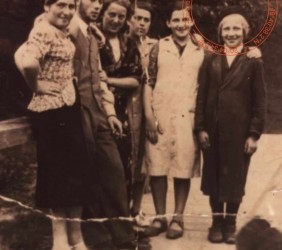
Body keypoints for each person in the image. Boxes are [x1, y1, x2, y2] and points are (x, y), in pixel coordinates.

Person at [14, 0, 90, 249]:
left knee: (76, 171)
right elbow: (26, 61)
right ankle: (61, 241)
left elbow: (79, 23)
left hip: (68, 107)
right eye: (61, 5)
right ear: (47, 5)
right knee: (57, 174)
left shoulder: (59, 25)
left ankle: (75, 238)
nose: (67, 11)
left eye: (71, 6)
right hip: (50, 111)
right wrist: (36, 86)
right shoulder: (42, 31)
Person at [67, 0, 142, 249]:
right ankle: (98, 238)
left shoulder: (91, 33)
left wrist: (109, 112)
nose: (97, 5)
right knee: (86, 174)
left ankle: (124, 238)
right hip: (75, 111)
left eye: (101, 1)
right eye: (92, 0)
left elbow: (98, 77)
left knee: (114, 172)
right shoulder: (65, 26)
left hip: (99, 110)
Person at [195, 7, 267, 244]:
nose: (231, 33)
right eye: (227, 28)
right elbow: (201, 97)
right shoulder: (211, 59)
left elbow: (260, 101)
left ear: (245, 32)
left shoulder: (252, 61)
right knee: (214, 176)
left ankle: (231, 222)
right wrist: (201, 128)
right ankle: (216, 221)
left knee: (236, 178)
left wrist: (253, 134)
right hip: (213, 131)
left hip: (239, 133)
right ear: (220, 32)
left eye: (236, 28)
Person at [143, 3, 203, 239]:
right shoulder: (158, 48)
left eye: (185, 20)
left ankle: (178, 218)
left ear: (191, 23)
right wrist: (149, 118)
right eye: (175, 20)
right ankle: (160, 217)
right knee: (157, 167)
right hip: (160, 116)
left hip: (187, 117)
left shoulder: (201, 49)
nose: (181, 25)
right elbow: (148, 83)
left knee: (183, 167)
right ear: (168, 23)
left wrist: (252, 51)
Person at [98, 0, 143, 209]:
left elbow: (135, 80)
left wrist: (109, 80)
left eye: (121, 16)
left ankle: (122, 218)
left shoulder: (129, 43)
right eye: (111, 15)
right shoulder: (91, 37)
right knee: (100, 167)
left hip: (122, 112)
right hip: (96, 109)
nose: (116, 20)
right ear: (102, 14)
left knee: (124, 165)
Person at [127, 0, 157, 222]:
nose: (142, 23)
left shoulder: (156, 45)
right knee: (124, 160)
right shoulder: (120, 42)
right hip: (123, 107)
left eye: (146, 20)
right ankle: (120, 210)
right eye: (138, 18)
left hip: (147, 108)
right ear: (130, 20)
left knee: (142, 162)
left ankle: (136, 209)